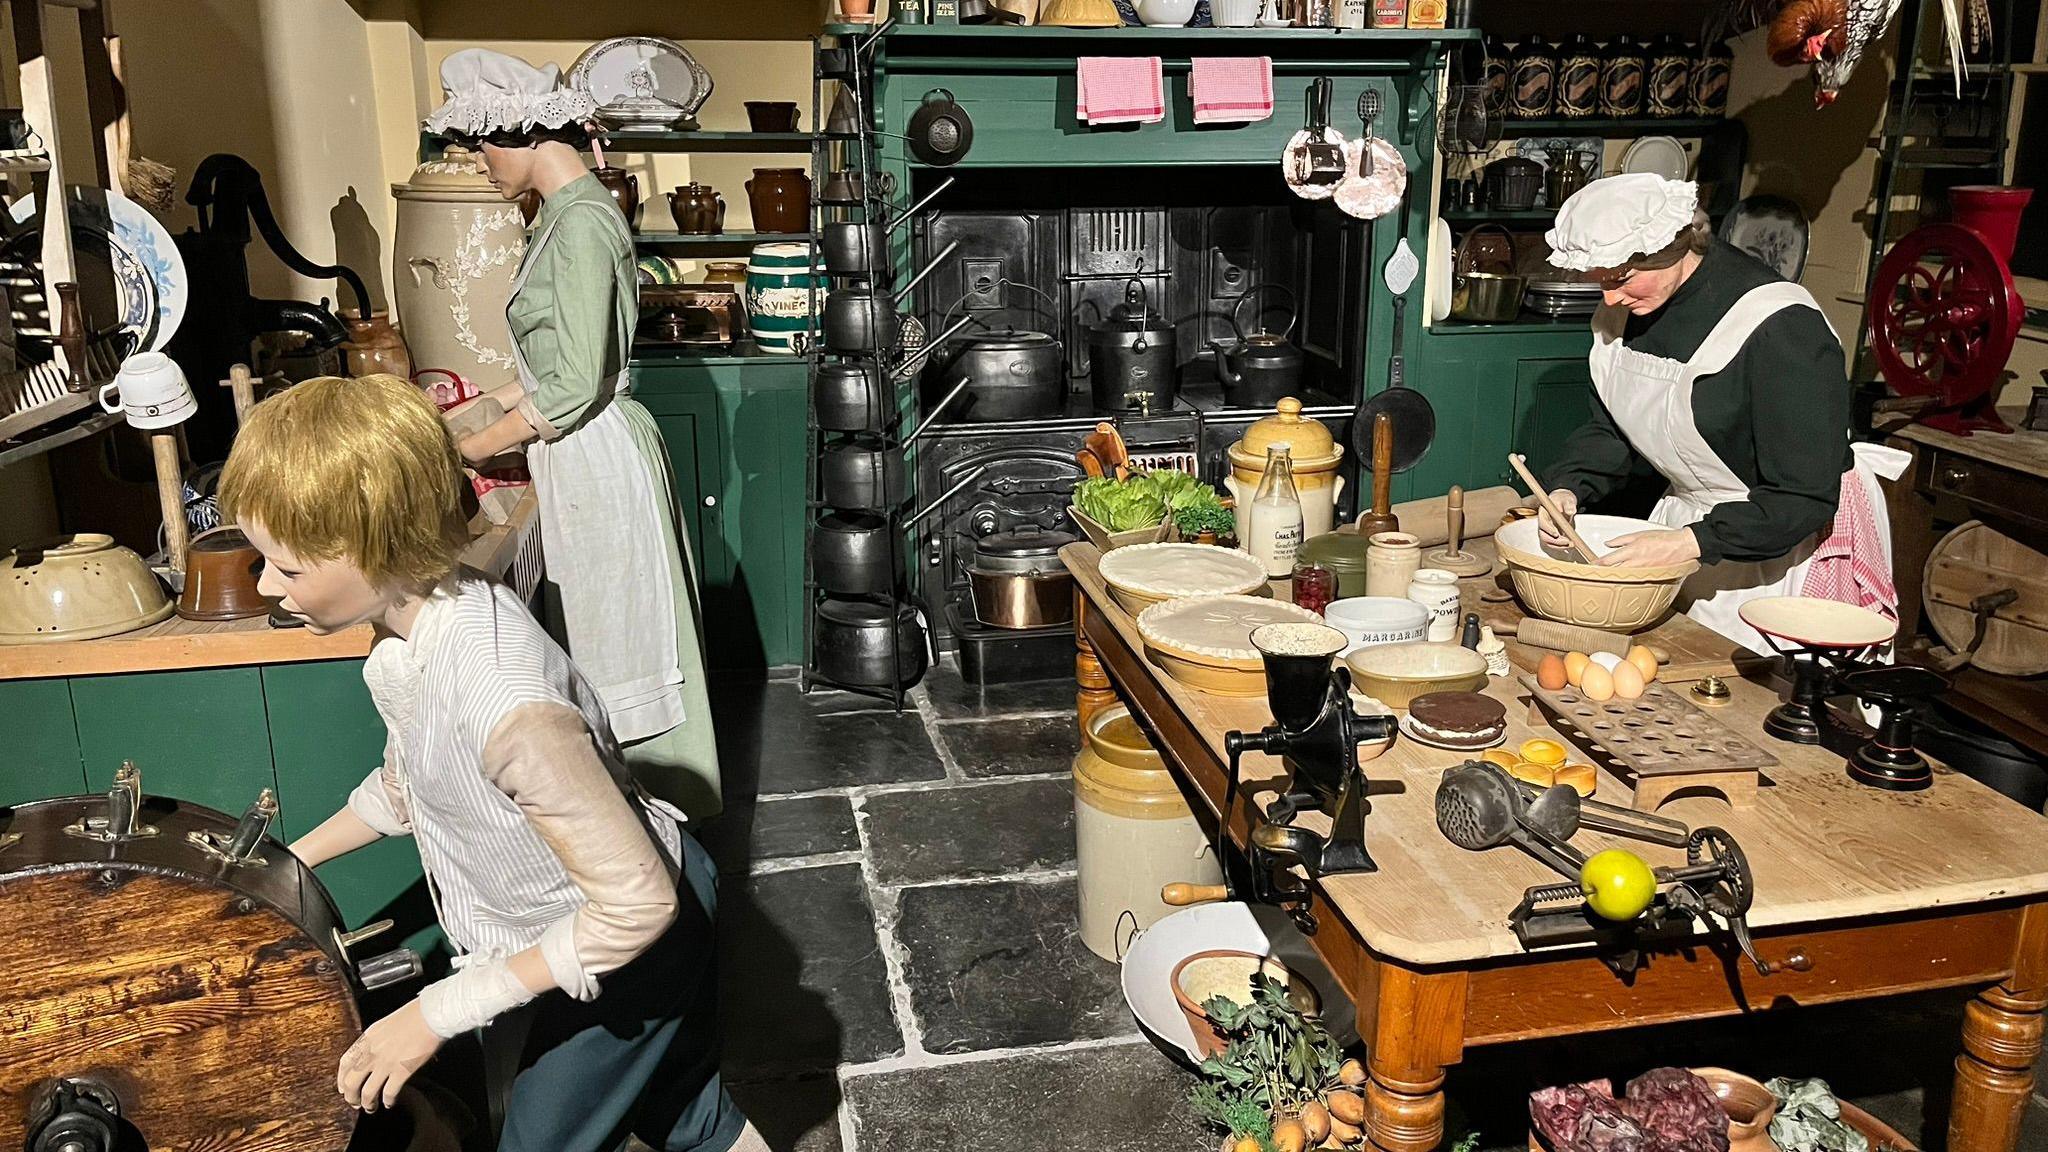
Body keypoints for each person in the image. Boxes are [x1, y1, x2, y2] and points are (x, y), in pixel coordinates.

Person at [219, 374, 763, 1152]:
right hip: (606, 921)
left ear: (372, 546)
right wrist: (288, 865)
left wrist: (431, 1014)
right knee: (690, 1117)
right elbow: (416, 785)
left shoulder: (506, 704)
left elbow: (638, 907)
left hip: (634, 938)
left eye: (288, 567)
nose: (270, 587)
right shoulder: (417, 628)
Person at [426, 48, 720, 818]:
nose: (481, 160)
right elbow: (551, 364)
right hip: (577, 448)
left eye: (484, 142)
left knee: (618, 638)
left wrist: (464, 452)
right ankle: (629, 808)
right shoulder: (562, 216)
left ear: (524, 131)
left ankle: (655, 815)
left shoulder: (584, 222)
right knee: (596, 632)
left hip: (595, 452)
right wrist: (462, 415)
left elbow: (570, 390)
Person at [1536, 174, 1908, 654]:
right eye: (1598, 282)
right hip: (1689, 533)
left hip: (1780, 548)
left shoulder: (1781, 328)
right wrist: (1569, 486)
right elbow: (1614, 425)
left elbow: (1803, 496)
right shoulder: (1627, 309)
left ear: (1672, 248)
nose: (1609, 299)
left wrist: (1693, 542)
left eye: (1621, 278)